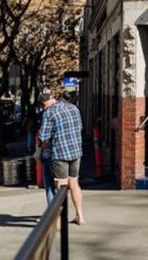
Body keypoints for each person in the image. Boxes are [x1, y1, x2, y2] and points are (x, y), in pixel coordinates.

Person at [39, 88, 85, 226]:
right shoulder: (73, 108)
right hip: (76, 151)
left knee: (61, 188)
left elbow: (44, 138)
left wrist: (42, 147)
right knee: (74, 183)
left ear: (44, 104)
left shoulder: (49, 113)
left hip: (60, 154)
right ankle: (80, 216)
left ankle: (59, 221)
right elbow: (80, 128)